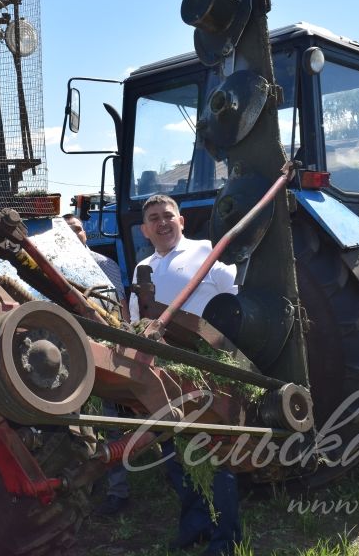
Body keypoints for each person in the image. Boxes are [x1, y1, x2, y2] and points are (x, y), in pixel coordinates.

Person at [130, 194, 242, 556]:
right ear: (145, 230)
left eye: (168, 216)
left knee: (216, 450)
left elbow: (237, 301)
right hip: (165, 370)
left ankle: (227, 538)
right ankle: (195, 525)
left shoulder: (207, 253)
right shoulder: (142, 268)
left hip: (206, 366)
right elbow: (136, 320)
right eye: (154, 218)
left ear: (182, 221)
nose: (162, 223)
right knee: (175, 450)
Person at [63, 213, 131, 515]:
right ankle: (81, 485)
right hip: (69, 354)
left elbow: (120, 305)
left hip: (105, 350)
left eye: (77, 228)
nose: (74, 233)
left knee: (112, 422)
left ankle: (118, 491)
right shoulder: (50, 267)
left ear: (85, 234)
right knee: (72, 425)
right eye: (66, 230)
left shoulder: (106, 266)